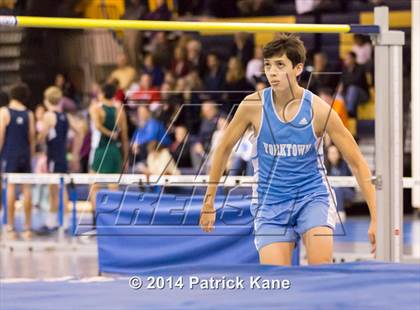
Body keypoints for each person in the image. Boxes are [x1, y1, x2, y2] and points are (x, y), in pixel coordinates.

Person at [199, 34, 377, 266]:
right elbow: (223, 149)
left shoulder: (318, 110)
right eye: (268, 65)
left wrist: (375, 216)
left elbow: (357, 162)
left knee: (320, 272)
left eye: (280, 65)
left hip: (312, 196)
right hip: (270, 201)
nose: (272, 72)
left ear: (298, 69)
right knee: (277, 282)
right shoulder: (253, 106)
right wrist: (209, 201)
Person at [37, 86, 82, 232]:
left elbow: (42, 137)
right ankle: (61, 222)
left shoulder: (49, 116)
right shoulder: (65, 116)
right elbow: (80, 131)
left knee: (55, 190)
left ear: (46, 100)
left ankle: (56, 222)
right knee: (59, 190)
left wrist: (39, 140)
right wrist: (75, 153)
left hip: (54, 157)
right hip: (61, 155)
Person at [0, 83, 35, 240]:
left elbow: (0, 136)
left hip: (10, 154)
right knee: (27, 189)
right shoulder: (29, 114)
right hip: (24, 155)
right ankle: (27, 228)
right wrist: (31, 155)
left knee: (10, 188)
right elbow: (32, 137)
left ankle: (10, 227)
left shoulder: (4, 112)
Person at [90, 83, 129, 210]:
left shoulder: (97, 109)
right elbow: (124, 137)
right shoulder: (120, 110)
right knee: (113, 187)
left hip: (102, 149)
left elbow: (97, 125)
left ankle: (96, 219)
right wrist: (126, 157)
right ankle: (113, 219)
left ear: (102, 93)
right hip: (115, 151)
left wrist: (108, 133)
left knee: (94, 186)